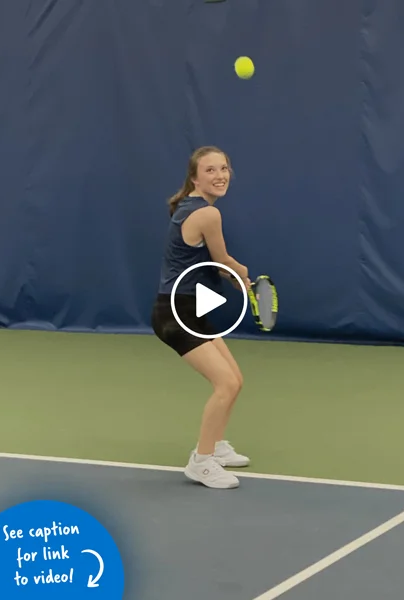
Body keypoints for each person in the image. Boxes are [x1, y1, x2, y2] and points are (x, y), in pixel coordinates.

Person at [151, 146, 251, 489]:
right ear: (195, 178)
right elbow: (222, 262)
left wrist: (236, 275)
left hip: (192, 306)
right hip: (176, 313)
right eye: (210, 170)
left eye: (224, 168)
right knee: (225, 384)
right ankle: (201, 462)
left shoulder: (191, 206)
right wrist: (241, 273)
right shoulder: (208, 215)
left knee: (235, 379)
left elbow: (209, 263)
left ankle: (217, 446)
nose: (220, 175)